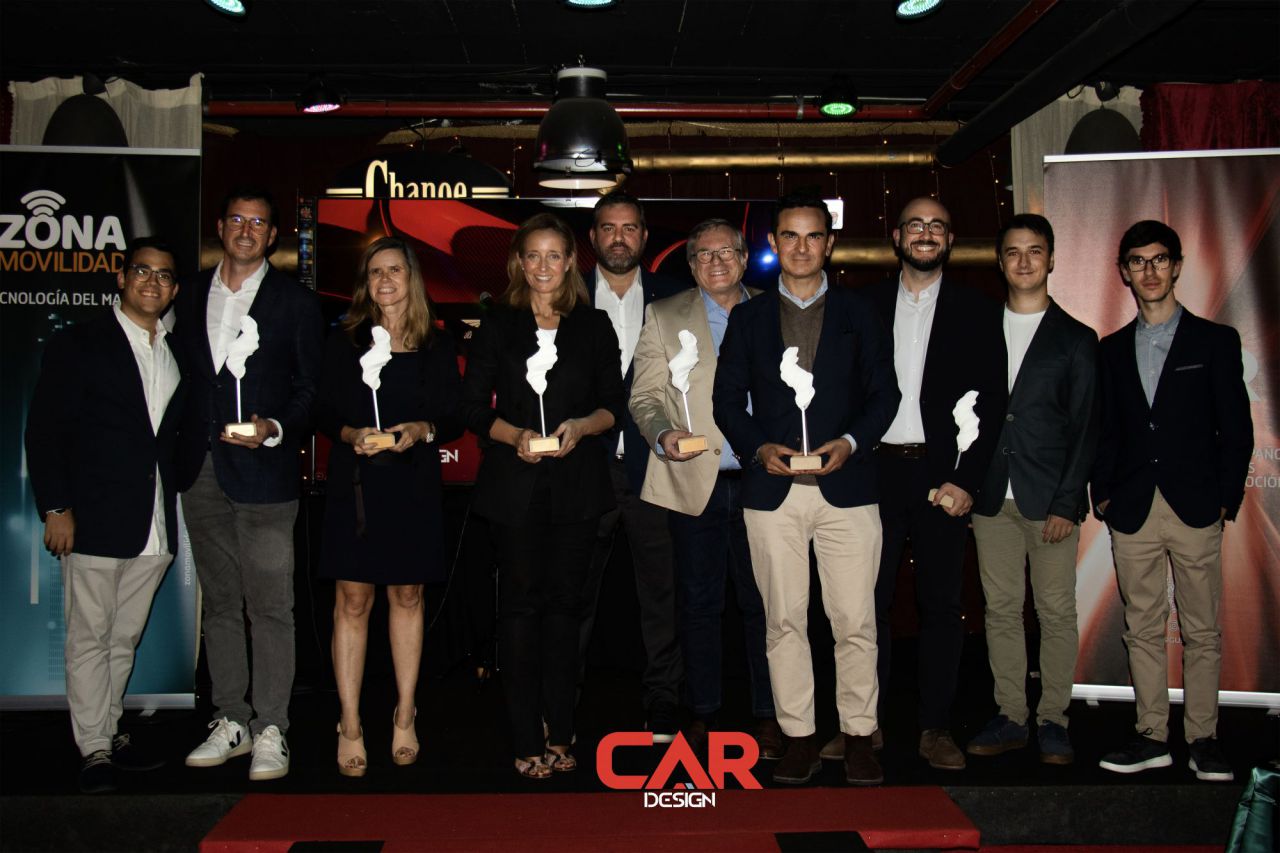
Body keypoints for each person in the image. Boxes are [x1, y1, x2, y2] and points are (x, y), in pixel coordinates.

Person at [713, 192, 899, 786]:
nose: (801, 247)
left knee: (856, 622)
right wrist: (759, 448)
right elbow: (725, 401)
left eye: (813, 236)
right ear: (773, 244)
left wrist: (850, 442)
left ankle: (859, 735)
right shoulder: (748, 319)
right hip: (773, 491)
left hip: (849, 487)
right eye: (789, 236)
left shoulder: (861, 313)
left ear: (829, 243)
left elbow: (885, 396)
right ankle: (798, 737)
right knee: (783, 621)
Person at [460, 213, 624, 779]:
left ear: (571, 262)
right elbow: (471, 407)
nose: (544, 265)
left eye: (555, 255)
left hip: (578, 489)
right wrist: (515, 437)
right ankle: (526, 734)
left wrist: (581, 427)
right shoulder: (497, 324)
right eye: (534, 255)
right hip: (514, 490)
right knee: (520, 610)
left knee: (565, 611)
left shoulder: (594, 325)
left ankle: (561, 728)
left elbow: (613, 404)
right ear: (519, 263)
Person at [1091, 220, 1252, 782]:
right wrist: (1103, 495)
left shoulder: (1215, 341)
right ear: (1125, 273)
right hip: (1132, 508)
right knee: (1142, 627)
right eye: (1138, 262)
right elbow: (1105, 431)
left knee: (1202, 629)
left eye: (1159, 259)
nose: (1150, 271)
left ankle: (1204, 738)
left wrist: (1226, 499)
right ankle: (1152, 735)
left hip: (1196, 506)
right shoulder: (1110, 350)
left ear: (1177, 266)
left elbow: (1236, 430)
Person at [174, 187, 324, 781]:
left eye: (258, 223)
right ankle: (231, 718)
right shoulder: (187, 293)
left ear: (272, 235)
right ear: (220, 227)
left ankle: (271, 728)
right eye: (237, 219)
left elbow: (310, 390)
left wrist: (274, 427)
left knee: (269, 606)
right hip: (200, 470)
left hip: (265, 475)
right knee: (220, 605)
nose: (246, 230)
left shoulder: (295, 302)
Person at [26, 237, 185, 793]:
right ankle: (93, 746)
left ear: (174, 290)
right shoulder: (79, 343)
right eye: (142, 271)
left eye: (163, 275)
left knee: (123, 639)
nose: (152, 282)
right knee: (89, 638)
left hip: (154, 524)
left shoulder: (175, 351)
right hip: (93, 518)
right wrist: (56, 507)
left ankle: (108, 728)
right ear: (121, 278)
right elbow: (45, 430)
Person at [862, 196, 1005, 772]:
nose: (926, 234)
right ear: (897, 237)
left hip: (942, 475)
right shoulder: (863, 305)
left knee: (942, 605)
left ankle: (935, 727)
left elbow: (992, 400)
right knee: (864, 604)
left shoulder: (978, 309)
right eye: (916, 225)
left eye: (937, 226)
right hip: (874, 473)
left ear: (950, 240)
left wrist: (967, 479)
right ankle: (862, 724)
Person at [629, 219, 782, 758]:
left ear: (744, 258)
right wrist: (661, 433)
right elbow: (645, 396)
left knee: (767, 605)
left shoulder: (776, 309)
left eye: (727, 252)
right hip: (697, 482)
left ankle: (770, 714)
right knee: (697, 605)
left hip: (767, 480)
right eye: (704, 255)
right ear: (691, 265)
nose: (716, 262)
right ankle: (703, 712)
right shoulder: (663, 314)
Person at [315, 237, 462, 776]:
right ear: (365, 281)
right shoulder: (344, 340)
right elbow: (322, 409)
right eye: (375, 271)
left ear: (412, 277)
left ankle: (404, 712)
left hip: (412, 483)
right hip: (356, 484)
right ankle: (350, 721)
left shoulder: (436, 344)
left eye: (395, 269)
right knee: (353, 600)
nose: (385, 279)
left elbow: (455, 415)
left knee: (407, 594)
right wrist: (350, 432)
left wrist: (423, 428)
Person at [966, 214, 1098, 766]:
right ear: (1000, 262)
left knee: (1055, 612)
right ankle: (1011, 715)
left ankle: (1054, 721)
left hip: (1050, 503)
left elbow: (1086, 428)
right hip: (989, 497)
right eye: (1014, 252)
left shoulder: (1077, 339)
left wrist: (1068, 501)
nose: (1024, 261)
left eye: (1035, 251)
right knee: (1000, 610)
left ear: (1051, 259)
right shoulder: (978, 328)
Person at [581, 189, 686, 742]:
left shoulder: (676, 297)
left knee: (662, 595)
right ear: (593, 237)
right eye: (608, 227)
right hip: (584, 467)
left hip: (657, 468)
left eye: (629, 228)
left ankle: (664, 703)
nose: (618, 238)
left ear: (644, 237)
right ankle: (562, 709)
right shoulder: (566, 296)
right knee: (573, 595)